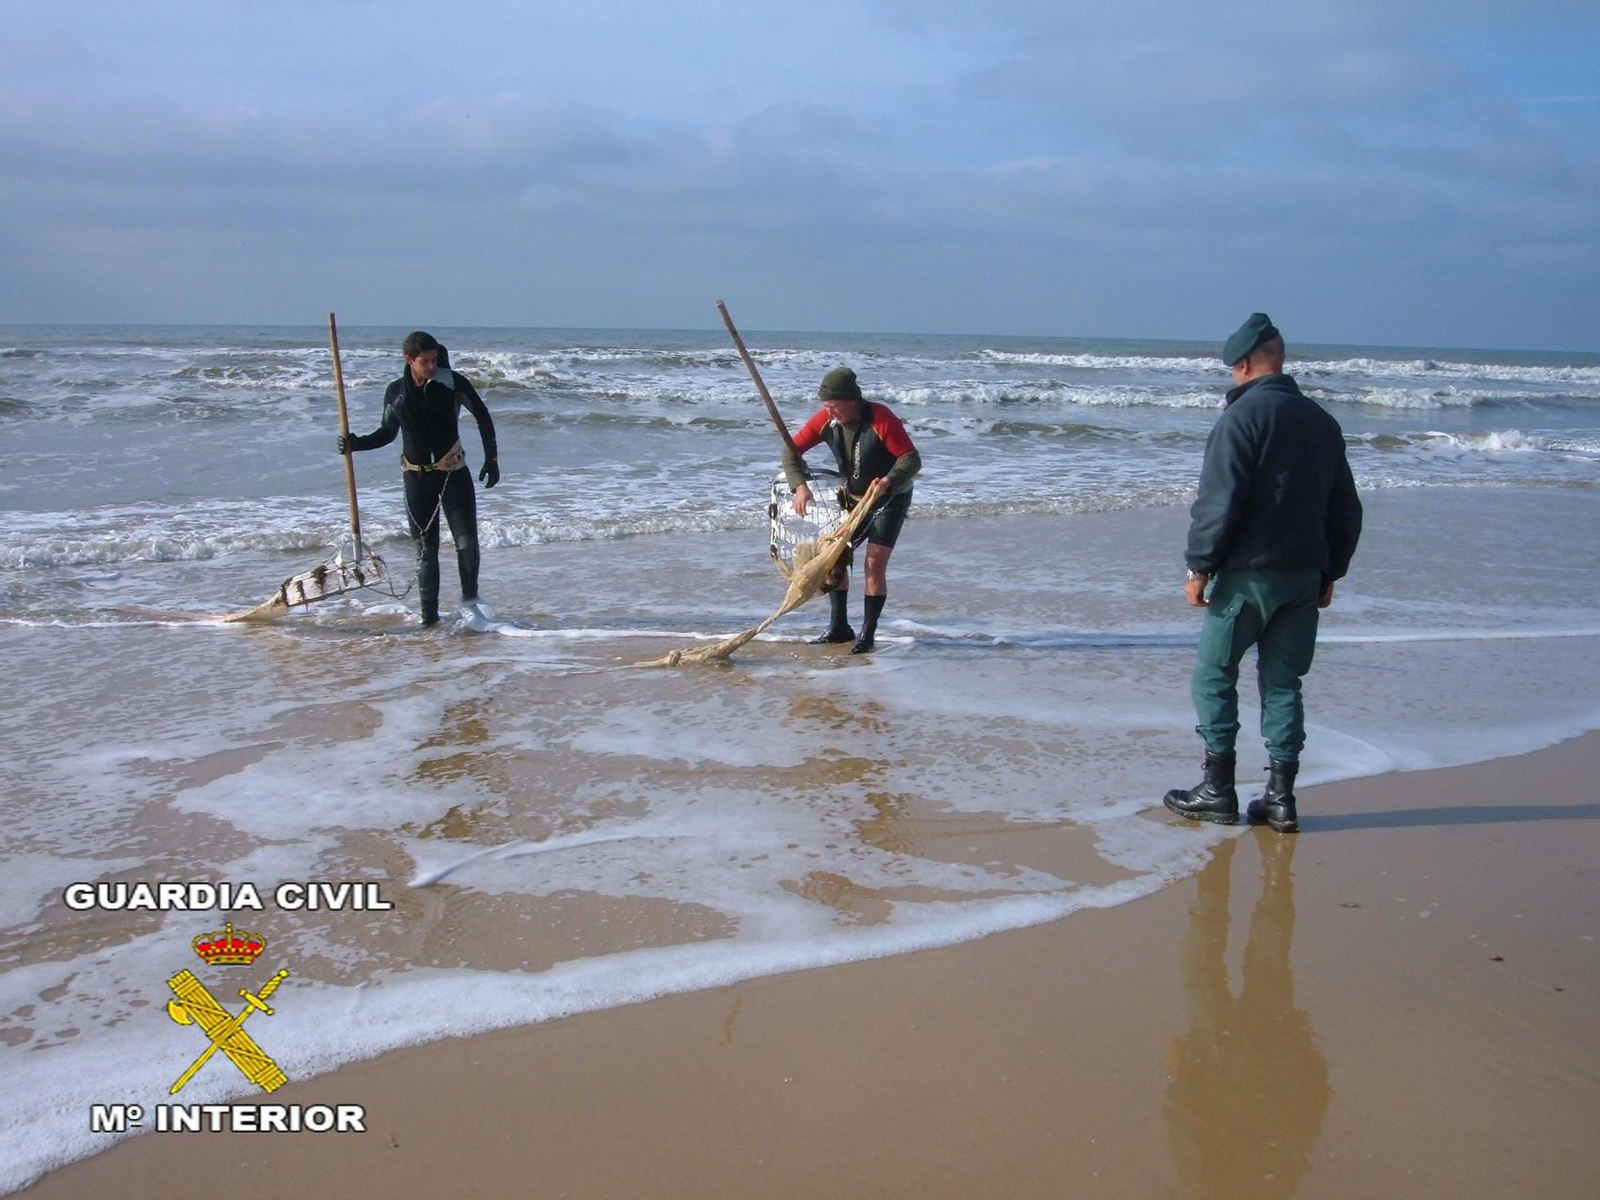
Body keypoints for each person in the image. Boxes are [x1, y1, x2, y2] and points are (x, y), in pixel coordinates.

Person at [1163, 314, 1362, 832]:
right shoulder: (1320, 421)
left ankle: (1218, 789)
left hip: (1247, 574)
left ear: (1245, 363)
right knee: (1283, 683)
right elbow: (1346, 509)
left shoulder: (1242, 419)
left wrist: (1199, 566)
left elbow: (1219, 501)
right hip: (1302, 575)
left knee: (1214, 674)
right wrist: (1330, 571)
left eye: (1233, 368)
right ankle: (1280, 797)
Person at [337, 331, 499, 627]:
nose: (432, 366)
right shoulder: (396, 392)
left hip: (453, 473)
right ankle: (429, 623)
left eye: (435, 359)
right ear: (408, 360)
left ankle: (471, 604)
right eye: (425, 361)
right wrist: (354, 444)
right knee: (426, 551)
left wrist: (492, 459)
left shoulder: (451, 382)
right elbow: (386, 434)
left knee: (466, 542)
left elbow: (482, 416)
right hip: (417, 478)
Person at [782, 365, 921, 654]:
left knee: (873, 565)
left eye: (835, 406)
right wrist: (800, 486)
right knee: (834, 559)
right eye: (826, 406)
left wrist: (889, 480)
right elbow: (790, 451)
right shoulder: (825, 421)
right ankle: (839, 628)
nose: (830, 412)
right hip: (853, 500)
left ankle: (867, 636)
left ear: (853, 400)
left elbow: (911, 459)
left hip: (889, 499)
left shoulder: (880, 418)